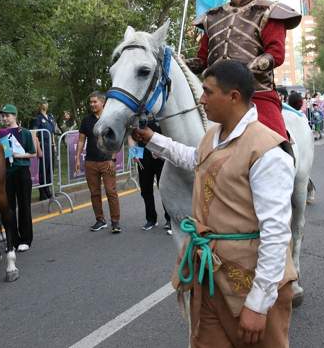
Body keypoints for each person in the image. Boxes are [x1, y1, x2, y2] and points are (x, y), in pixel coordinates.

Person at [132, 60, 296, 347]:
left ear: (233, 96)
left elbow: (276, 234)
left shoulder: (267, 151)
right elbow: (195, 159)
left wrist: (258, 305)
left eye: (208, 92)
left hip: (250, 282)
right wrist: (153, 140)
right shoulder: (212, 136)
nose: (201, 99)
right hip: (209, 276)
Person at [185, 0, 302, 140]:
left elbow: (275, 55)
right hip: (214, 96)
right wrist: (178, 64)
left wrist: (244, 72)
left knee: (274, 141)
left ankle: (282, 163)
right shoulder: (212, 17)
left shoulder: (267, 12)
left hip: (256, 94)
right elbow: (202, 60)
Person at [75, 92, 121, 233]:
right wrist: (77, 158)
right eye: (91, 102)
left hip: (107, 161)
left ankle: (115, 222)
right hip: (91, 162)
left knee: (110, 191)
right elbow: (81, 140)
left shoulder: (111, 118)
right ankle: (100, 220)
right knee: (94, 193)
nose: (92, 104)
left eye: (95, 102)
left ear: (103, 102)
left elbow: (116, 140)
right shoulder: (86, 120)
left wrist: (112, 159)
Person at [0, 104, 35, 252]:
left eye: (7, 115)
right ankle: (12, 240)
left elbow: (33, 152)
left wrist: (18, 155)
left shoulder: (24, 132)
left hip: (22, 171)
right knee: (8, 208)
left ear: (14, 116)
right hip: (6, 173)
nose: (4, 118)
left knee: (24, 205)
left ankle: (25, 239)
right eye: (3, 116)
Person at [130, 122, 172, 233]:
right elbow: (131, 136)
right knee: (145, 190)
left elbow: (169, 134)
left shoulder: (159, 113)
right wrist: (134, 153)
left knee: (163, 188)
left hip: (160, 156)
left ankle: (170, 219)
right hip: (143, 156)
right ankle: (151, 219)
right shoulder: (137, 116)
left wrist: (163, 151)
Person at [31, 98, 60, 201]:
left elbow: (52, 132)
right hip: (43, 146)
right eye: (43, 102)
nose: (46, 104)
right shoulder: (37, 118)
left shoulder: (51, 117)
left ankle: (48, 190)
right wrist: (37, 149)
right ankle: (43, 193)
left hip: (50, 146)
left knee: (50, 168)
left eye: (47, 102)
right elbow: (35, 134)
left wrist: (54, 144)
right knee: (43, 169)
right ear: (39, 105)